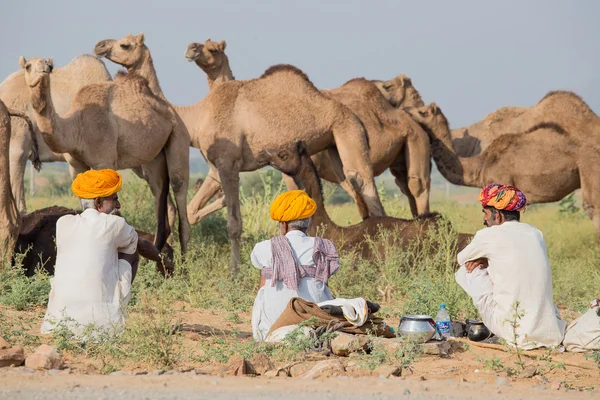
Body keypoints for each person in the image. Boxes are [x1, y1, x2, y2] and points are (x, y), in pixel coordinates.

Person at [455, 183, 566, 349]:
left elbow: (461, 258)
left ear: (498, 215)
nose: (485, 218)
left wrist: (483, 260)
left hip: (512, 331)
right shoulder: (536, 233)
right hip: (550, 332)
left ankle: (497, 327)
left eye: (486, 213)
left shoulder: (488, 235)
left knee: (466, 270)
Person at [41, 169, 139, 336]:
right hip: (103, 329)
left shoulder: (63, 223)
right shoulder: (115, 224)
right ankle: (115, 312)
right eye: (114, 199)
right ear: (98, 202)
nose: (119, 205)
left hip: (56, 328)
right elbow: (135, 242)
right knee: (131, 251)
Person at [251, 190, 340, 341]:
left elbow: (262, 285)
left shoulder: (263, 247)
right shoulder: (324, 246)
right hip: (315, 326)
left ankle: (262, 335)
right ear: (308, 223)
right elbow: (324, 283)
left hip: (272, 329)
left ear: (284, 225)